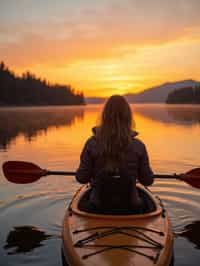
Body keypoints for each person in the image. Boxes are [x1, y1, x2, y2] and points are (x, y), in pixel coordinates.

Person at [76, 95, 154, 214]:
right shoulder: (138, 146)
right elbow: (147, 181)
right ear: (128, 117)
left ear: (104, 116)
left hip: (97, 208)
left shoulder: (91, 144)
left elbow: (81, 178)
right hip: (132, 208)